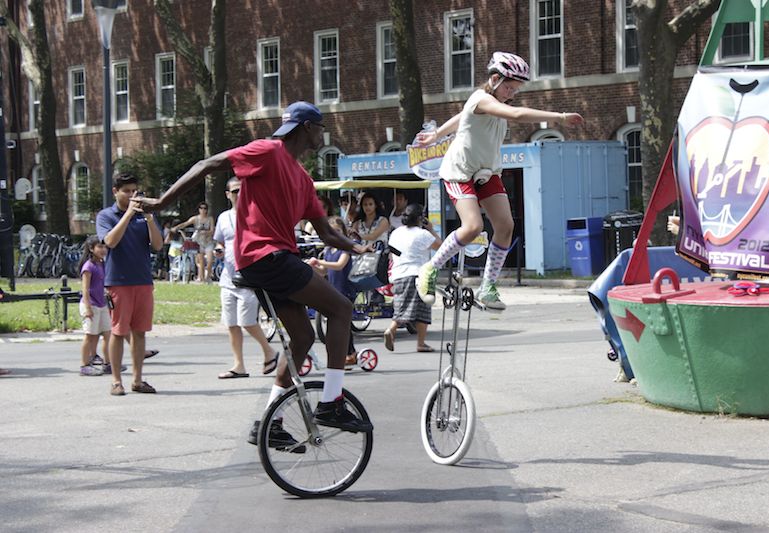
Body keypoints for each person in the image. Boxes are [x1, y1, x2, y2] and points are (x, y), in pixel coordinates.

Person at [140, 101, 373, 447]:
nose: (323, 133)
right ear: (307, 128)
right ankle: (331, 402)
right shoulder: (268, 150)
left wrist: (356, 247)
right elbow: (208, 164)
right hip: (267, 257)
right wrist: (161, 203)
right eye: (320, 127)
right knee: (341, 309)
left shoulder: (304, 180)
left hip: (270, 262)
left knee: (304, 338)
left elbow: (326, 234)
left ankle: (270, 422)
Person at [415, 51, 584, 311]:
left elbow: (462, 117)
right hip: (460, 170)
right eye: (509, 87)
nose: (512, 93)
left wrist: (438, 132)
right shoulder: (481, 98)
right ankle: (430, 268)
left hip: (486, 171)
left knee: (505, 225)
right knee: (472, 226)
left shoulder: (479, 104)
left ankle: (487, 287)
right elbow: (515, 115)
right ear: (494, 79)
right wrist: (559, 117)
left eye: (516, 89)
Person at [96, 172, 164, 396]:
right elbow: (110, 241)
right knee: (118, 332)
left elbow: (157, 245)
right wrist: (128, 215)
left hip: (143, 280)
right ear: (115, 191)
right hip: (118, 282)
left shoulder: (145, 216)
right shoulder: (106, 216)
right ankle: (116, 381)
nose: (131, 196)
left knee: (140, 332)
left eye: (134, 191)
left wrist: (149, 218)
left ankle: (137, 379)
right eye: (126, 191)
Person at [214, 176, 279, 379]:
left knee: (248, 321)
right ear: (228, 195)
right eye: (235, 191)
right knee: (231, 324)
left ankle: (269, 351)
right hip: (228, 278)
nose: (239, 194)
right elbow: (220, 242)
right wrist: (218, 249)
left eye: (242, 190)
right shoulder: (224, 217)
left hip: (250, 278)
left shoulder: (256, 213)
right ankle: (239, 365)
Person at [384, 204, 442, 352]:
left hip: (398, 274)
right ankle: (394, 331)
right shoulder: (423, 234)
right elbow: (440, 246)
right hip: (418, 274)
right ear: (420, 218)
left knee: (403, 306)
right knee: (421, 310)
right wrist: (431, 229)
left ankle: (417, 341)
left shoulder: (396, 233)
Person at [307, 216, 359, 368]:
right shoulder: (328, 250)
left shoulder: (345, 250)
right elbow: (323, 271)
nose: (336, 234)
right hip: (334, 289)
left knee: (345, 323)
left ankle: (351, 353)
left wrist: (319, 262)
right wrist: (313, 267)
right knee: (337, 323)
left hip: (346, 289)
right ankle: (345, 353)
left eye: (338, 231)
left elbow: (339, 265)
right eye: (333, 231)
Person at [78, 235, 112, 376]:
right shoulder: (88, 266)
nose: (103, 249)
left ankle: (108, 363)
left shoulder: (103, 264)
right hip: (91, 304)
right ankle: (84, 365)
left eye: (104, 246)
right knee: (90, 336)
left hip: (102, 304)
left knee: (107, 334)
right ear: (91, 249)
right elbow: (85, 289)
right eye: (99, 246)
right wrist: (88, 308)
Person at [173, 202, 215, 283]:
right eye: (201, 208)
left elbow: (212, 230)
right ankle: (202, 279)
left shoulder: (210, 219)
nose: (203, 210)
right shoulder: (195, 219)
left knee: (210, 260)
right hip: (198, 242)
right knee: (201, 261)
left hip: (208, 241)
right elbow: (185, 223)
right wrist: (176, 227)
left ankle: (208, 276)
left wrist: (206, 232)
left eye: (205, 208)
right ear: (199, 209)